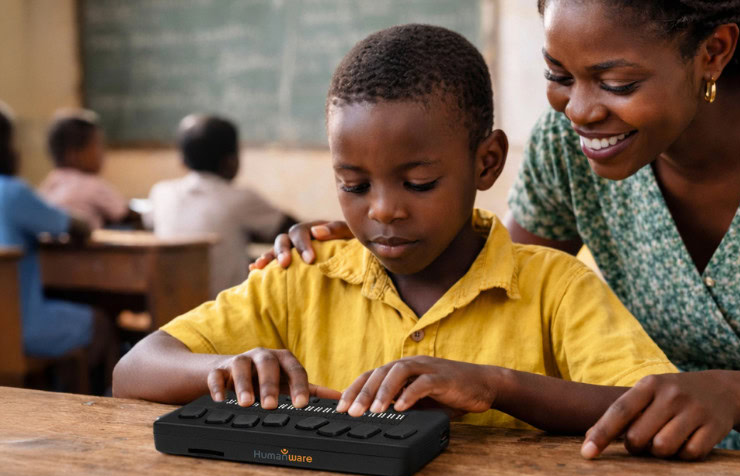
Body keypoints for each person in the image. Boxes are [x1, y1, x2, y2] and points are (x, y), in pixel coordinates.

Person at [256, 1, 740, 468]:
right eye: (558, 74)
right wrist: (368, 239)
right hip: (684, 462)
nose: (580, 109)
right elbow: (499, 296)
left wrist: (727, 394)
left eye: (616, 81)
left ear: (712, 52)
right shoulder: (567, 146)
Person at [112, 25, 677, 433]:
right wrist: (225, 365)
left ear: (487, 163)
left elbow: (648, 404)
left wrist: (494, 386)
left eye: (420, 183)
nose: (383, 211)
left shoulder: (554, 285)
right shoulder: (304, 276)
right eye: (354, 186)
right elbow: (133, 371)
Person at [0, 102, 113, 379]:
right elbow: (75, 225)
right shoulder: (12, 192)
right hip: (17, 327)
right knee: (101, 323)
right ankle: (97, 403)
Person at [145, 114, 297, 297]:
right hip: (223, 311)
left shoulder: (161, 193)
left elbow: (148, 223)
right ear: (231, 160)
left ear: (182, 159)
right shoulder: (240, 198)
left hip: (170, 311)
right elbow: (293, 231)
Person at [38, 110, 137, 230]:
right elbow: (124, 214)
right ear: (73, 154)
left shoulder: (49, 184)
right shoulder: (91, 184)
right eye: (97, 145)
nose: (102, 154)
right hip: (86, 248)